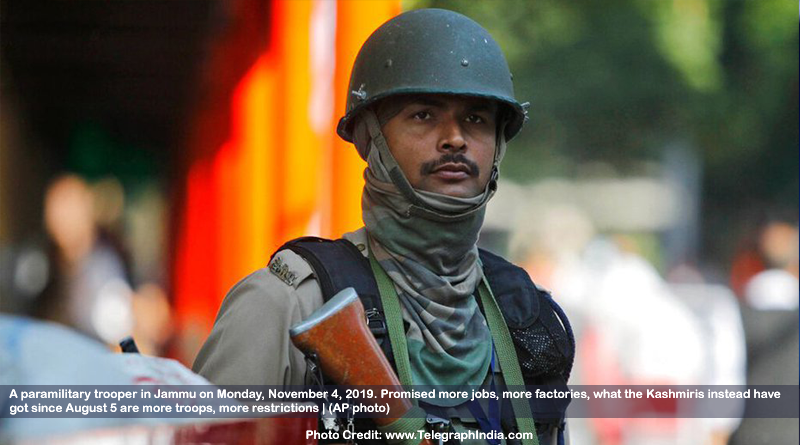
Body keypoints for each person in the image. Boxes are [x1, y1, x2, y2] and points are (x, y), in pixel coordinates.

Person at [194, 8, 573, 444]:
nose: (454, 138)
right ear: (370, 135)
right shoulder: (289, 306)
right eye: (423, 115)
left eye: (476, 119)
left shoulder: (525, 318)